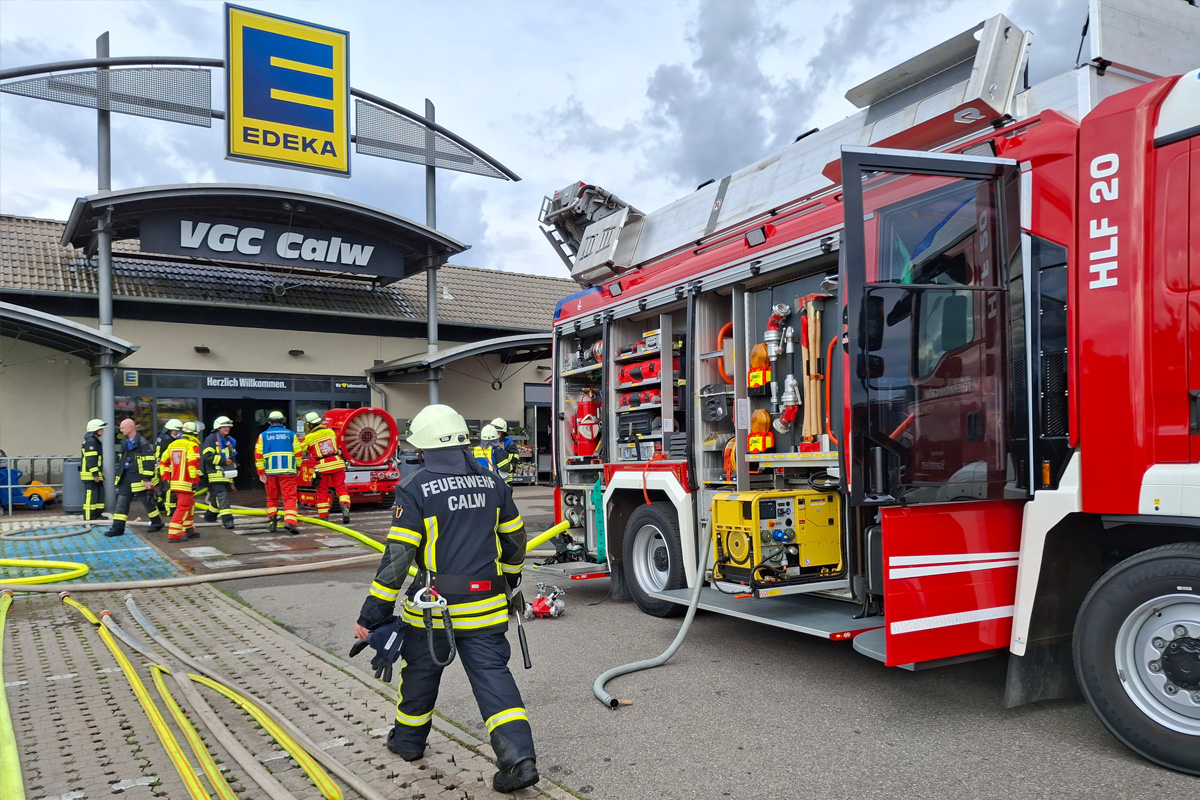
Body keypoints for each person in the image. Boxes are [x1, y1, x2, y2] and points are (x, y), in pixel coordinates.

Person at [353, 404, 539, 793]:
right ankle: (518, 760)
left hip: (433, 612)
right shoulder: (494, 483)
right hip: (488, 606)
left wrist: (373, 614)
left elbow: (398, 558)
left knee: (419, 675)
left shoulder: (415, 488)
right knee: (493, 680)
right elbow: (515, 539)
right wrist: (509, 578)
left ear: (422, 447)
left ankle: (407, 744)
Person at [105, 418, 164, 537]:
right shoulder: (125, 442)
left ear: (131, 427)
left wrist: (147, 478)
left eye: (123, 427)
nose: (120, 430)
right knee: (121, 502)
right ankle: (118, 528)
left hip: (139, 477)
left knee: (146, 502)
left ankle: (157, 522)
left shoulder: (142, 443)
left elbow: (149, 461)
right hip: (126, 477)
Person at [255, 410, 302, 535]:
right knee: (289, 497)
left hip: (270, 473)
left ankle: (272, 521)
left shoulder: (263, 436)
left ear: (270, 422)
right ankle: (290, 522)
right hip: (288, 472)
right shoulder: (291, 435)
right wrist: (298, 467)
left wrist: (261, 472)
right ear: (283, 421)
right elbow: (298, 453)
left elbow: (258, 455)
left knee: (272, 497)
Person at [302, 411, 351, 525]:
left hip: (322, 465)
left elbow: (299, 448)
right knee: (341, 488)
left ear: (310, 425)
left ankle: (324, 517)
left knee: (322, 491)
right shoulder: (330, 432)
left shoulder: (309, 437)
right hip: (337, 462)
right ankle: (345, 507)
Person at [159, 419, 201, 542]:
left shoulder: (172, 445)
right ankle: (174, 534)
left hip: (175, 481)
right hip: (187, 482)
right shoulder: (192, 445)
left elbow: (163, 463)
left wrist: (166, 478)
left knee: (189, 505)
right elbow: (193, 464)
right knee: (183, 506)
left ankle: (188, 529)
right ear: (194, 434)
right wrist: (195, 480)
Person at [201, 415, 237, 529]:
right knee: (223, 496)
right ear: (218, 427)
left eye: (228, 427)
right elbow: (207, 456)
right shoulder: (211, 439)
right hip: (215, 474)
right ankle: (227, 520)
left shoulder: (228, 440)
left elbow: (232, 455)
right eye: (224, 427)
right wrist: (222, 461)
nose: (227, 429)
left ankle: (210, 516)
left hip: (227, 474)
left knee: (219, 497)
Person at [153, 419, 184, 516]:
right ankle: (170, 509)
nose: (177, 433)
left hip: (160, 467)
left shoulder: (162, 437)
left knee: (163, 488)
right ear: (170, 430)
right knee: (170, 488)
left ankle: (159, 504)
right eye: (176, 431)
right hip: (166, 467)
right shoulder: (169, 440)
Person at [80, 418, 107, 520]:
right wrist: (95, 474)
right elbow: (91, 459)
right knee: (90, 496)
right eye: (101, 429)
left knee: (99, 495)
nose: (103, 431)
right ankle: (88, 518)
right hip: (90, 475)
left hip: (94, 474)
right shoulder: (91, 441)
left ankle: (97, 515)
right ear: (95, 429)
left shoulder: (93, 440)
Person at [489, 418, 520, 486]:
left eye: (498, 432)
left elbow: (515, 460)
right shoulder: (488, 442)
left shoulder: (509, 443)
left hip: (506, 481)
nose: (496, 434)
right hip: (491, 479)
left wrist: (501, 452)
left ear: (502, 432)